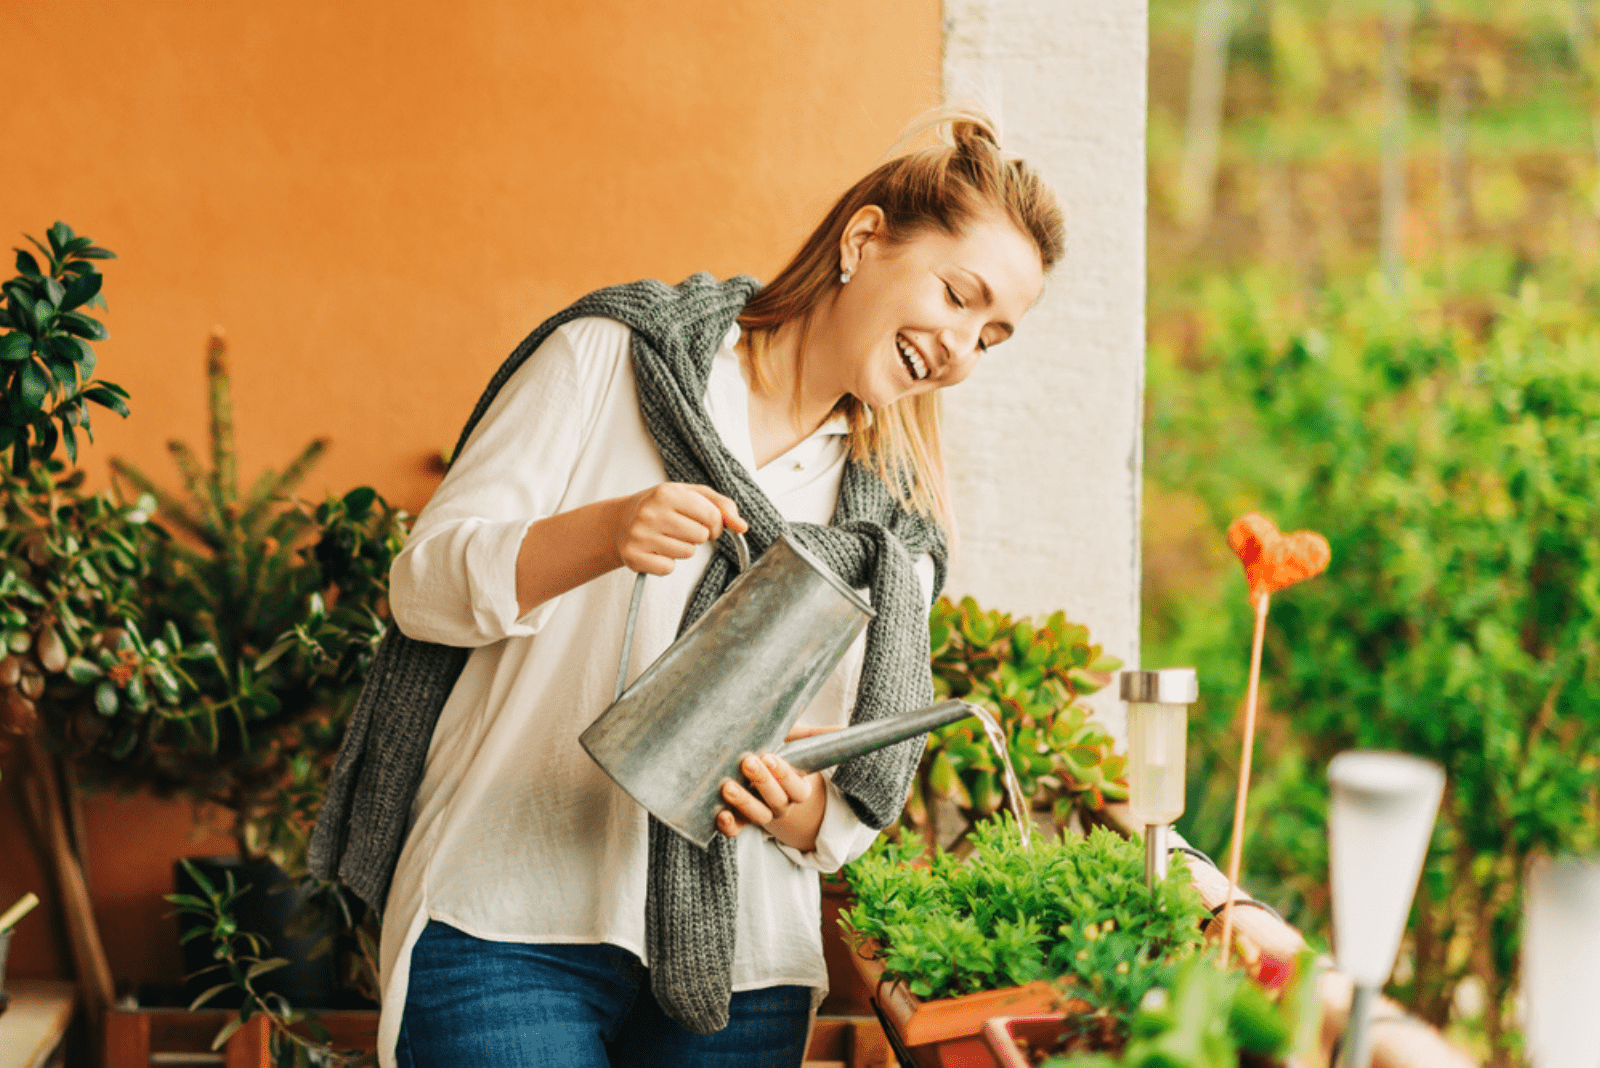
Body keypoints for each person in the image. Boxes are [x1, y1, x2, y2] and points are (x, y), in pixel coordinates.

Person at [310, 110, 1064, 1068]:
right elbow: (423, 586)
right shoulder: (615, 358)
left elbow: (832, 808)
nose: (960, 348)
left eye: (992, 338)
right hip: (504, 919)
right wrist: (603, 533)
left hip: (740, 969)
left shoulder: (892, 532)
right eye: (959, 296)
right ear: (864, 239)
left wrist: (790, 805)